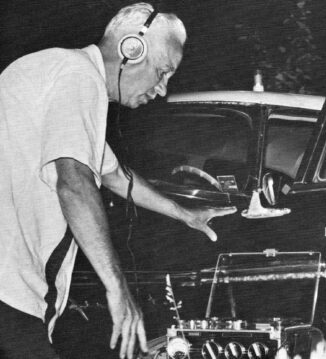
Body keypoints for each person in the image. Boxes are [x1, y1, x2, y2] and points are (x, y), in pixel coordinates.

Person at [0, 3, 236, 359]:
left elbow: (112, 174)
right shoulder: (79, 75)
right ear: (131, 49)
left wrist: (184, 213)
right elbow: (75, 182)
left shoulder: (53, 71)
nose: (161, 90)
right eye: (162, 72)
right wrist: (117, 287)